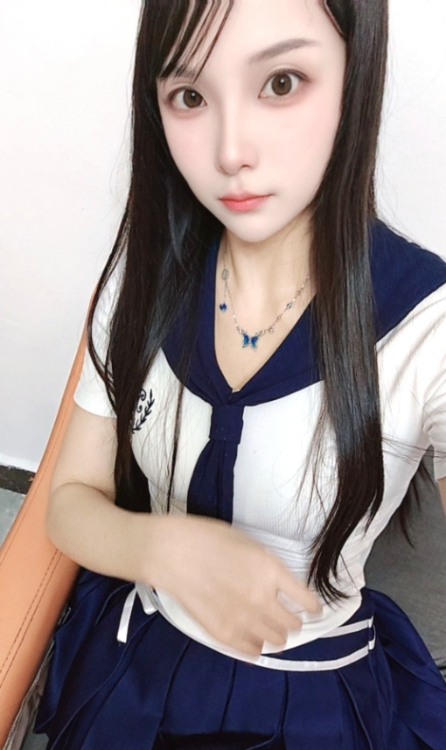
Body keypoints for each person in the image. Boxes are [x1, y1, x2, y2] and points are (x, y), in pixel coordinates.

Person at [34, 0, 446, 748]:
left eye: (281, 83)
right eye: (190, 95)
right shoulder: (140, 279)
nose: (230, 152)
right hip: (136, 663)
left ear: (357, 74)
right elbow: (67, 501)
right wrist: (162, 548)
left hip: (315, 696)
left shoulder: (429, 325)